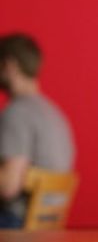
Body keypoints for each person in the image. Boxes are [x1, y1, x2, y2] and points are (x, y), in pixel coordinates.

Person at [0, 34, 75, 228]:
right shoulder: (55, 115)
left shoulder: (17, 113)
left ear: (9, 65)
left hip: (15, 227)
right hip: (47, 230)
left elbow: (9, 186)